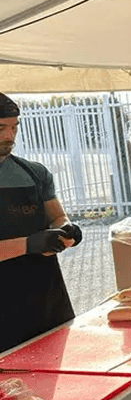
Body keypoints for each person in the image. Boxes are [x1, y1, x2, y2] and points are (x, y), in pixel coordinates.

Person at [0, 92, 83, 352]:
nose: (9, 137)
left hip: (46, 297)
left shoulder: (34, 173)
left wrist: (66, 229)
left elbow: (56, 216)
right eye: (1, 128)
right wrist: (29, 244)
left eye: (14, 127)